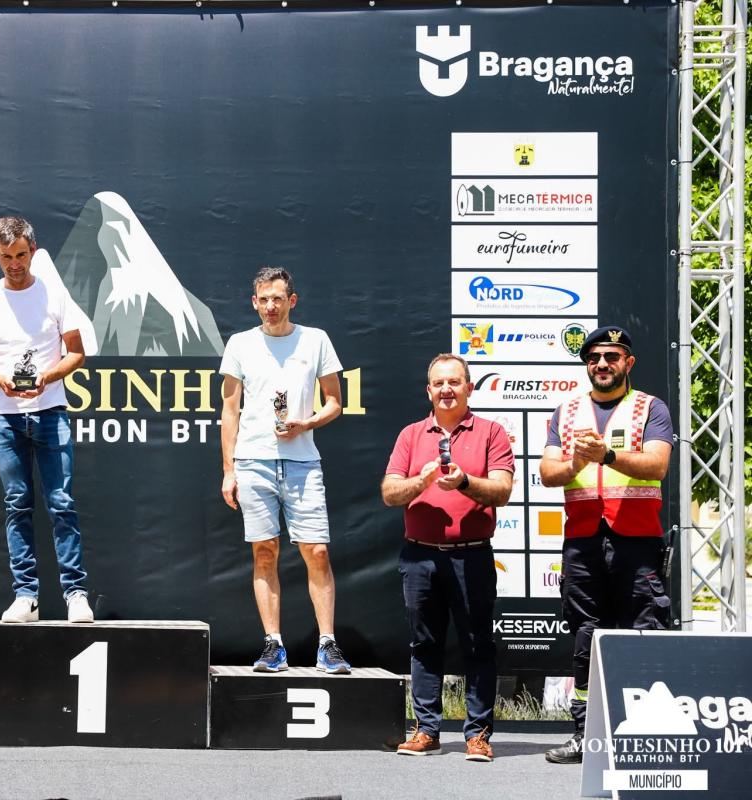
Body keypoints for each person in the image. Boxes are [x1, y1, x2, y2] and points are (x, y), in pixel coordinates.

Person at [539, 326, 673, 764]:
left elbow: (657, 465)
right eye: (594, 357)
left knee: (642, 634)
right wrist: (576, 462)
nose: (602, 364)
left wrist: (608, 456)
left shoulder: (650, 407)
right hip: (583, 541)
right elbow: (547, 473)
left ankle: (645, 735)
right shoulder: (567, 411)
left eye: (611, 356)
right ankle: (585, 734)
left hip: (637, 539)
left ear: (628, 362)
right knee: (586, 637)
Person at [381, 354, 514, 762]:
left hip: (471, 557)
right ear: (428, 390)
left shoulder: (491, 432)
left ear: (469, 388)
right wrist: (419, 482)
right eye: (438, 383)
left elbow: (502, 491)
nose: (446, 390)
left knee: (478, 645)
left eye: (454, 382)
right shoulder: (411, 434)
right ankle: (427, 730)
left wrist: (465, 482)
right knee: (424, 644)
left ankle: (478, 735)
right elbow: (389, 492)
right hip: (419, 558)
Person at [219, 267, 351, 675]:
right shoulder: (240, 343)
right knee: (264, 551)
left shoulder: (316, 340)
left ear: (292, 301)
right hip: (252, 462)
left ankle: (327, 645)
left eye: (278, 298)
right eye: (264, 299)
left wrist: (305, 423)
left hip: (303, 462)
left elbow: (335, 402)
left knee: (317, 551)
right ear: (254, 302)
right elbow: (229, 411)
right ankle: (273, 645)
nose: (270, 306)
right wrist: (228, 471)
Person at [0, 216, 92, 624]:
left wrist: (47, 377)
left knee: (62, 503)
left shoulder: (55, 295)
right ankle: (26, 596)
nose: (15, 264)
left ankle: (75, 594)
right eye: (7, 257)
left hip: (51, 411)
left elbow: (76, 352)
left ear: (33, 251)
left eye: (21, 255)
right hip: (5, 416)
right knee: (17, 505)